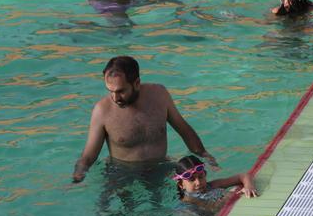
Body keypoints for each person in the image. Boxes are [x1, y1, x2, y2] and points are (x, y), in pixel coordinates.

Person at [72, 56, 216, 183]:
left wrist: (205, 156)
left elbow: (184, 129)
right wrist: (77, 178)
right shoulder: (102, 111)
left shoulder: (159, 96)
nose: (115, 98)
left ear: (136, 83)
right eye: (111, 91)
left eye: (121, 91)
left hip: (159, 167)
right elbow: (89, 156)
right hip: (121, 173)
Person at [171, 155, 257, 204]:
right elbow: (212, 209)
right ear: (181, 185)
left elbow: (243, 176)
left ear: (205, 174)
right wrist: (231, 195)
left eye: (201, 177)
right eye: (192, 179)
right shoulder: (188, 200)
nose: (198, 182)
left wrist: (249, 186)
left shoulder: (213, 185)